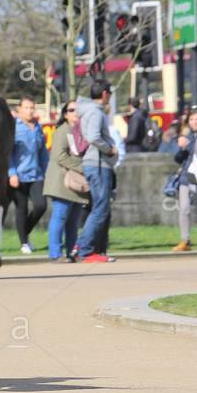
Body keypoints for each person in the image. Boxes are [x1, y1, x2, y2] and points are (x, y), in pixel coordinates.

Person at [73, 79, 118, 263]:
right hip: (98, 164)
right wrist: (109, 148)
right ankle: (85, 250)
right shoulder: (96, 113)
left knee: (99, 207)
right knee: (100, 208)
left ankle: (83, 247)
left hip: (94, 164)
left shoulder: (89, 111)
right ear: (105, 94)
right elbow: (93, 137)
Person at [43, 102, 88, 262]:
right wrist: (83, 168)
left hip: (75, 183)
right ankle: (55, 254)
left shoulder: (81, 131)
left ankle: (71, 252)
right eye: (71, 110)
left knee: (74, 220)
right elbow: (59, 156)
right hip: (62, 181)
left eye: (78, 110)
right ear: (65, 114)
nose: (75, 113)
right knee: (60, 216)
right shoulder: (62, 131)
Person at [8, 96, 49, 254]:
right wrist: (12, 173)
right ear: (19, 109)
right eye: (26, 108)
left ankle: (24, 230)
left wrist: (46, 171)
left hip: (36, 174)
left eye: (32, 108)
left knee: (41, 205)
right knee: (21, 208)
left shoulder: (37, 127)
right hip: (19, 175)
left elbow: (43, 152)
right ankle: (24, 242)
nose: (30, 111)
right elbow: (9, 154)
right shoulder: (14, 127)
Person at [172, 109, 197, 251]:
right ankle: (185, 240)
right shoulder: (187, 136)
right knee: (184, 209)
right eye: (191, 120)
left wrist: (187, 145)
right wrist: (181, 148)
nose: (194, 122)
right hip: (186, 177)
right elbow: (177, 159)